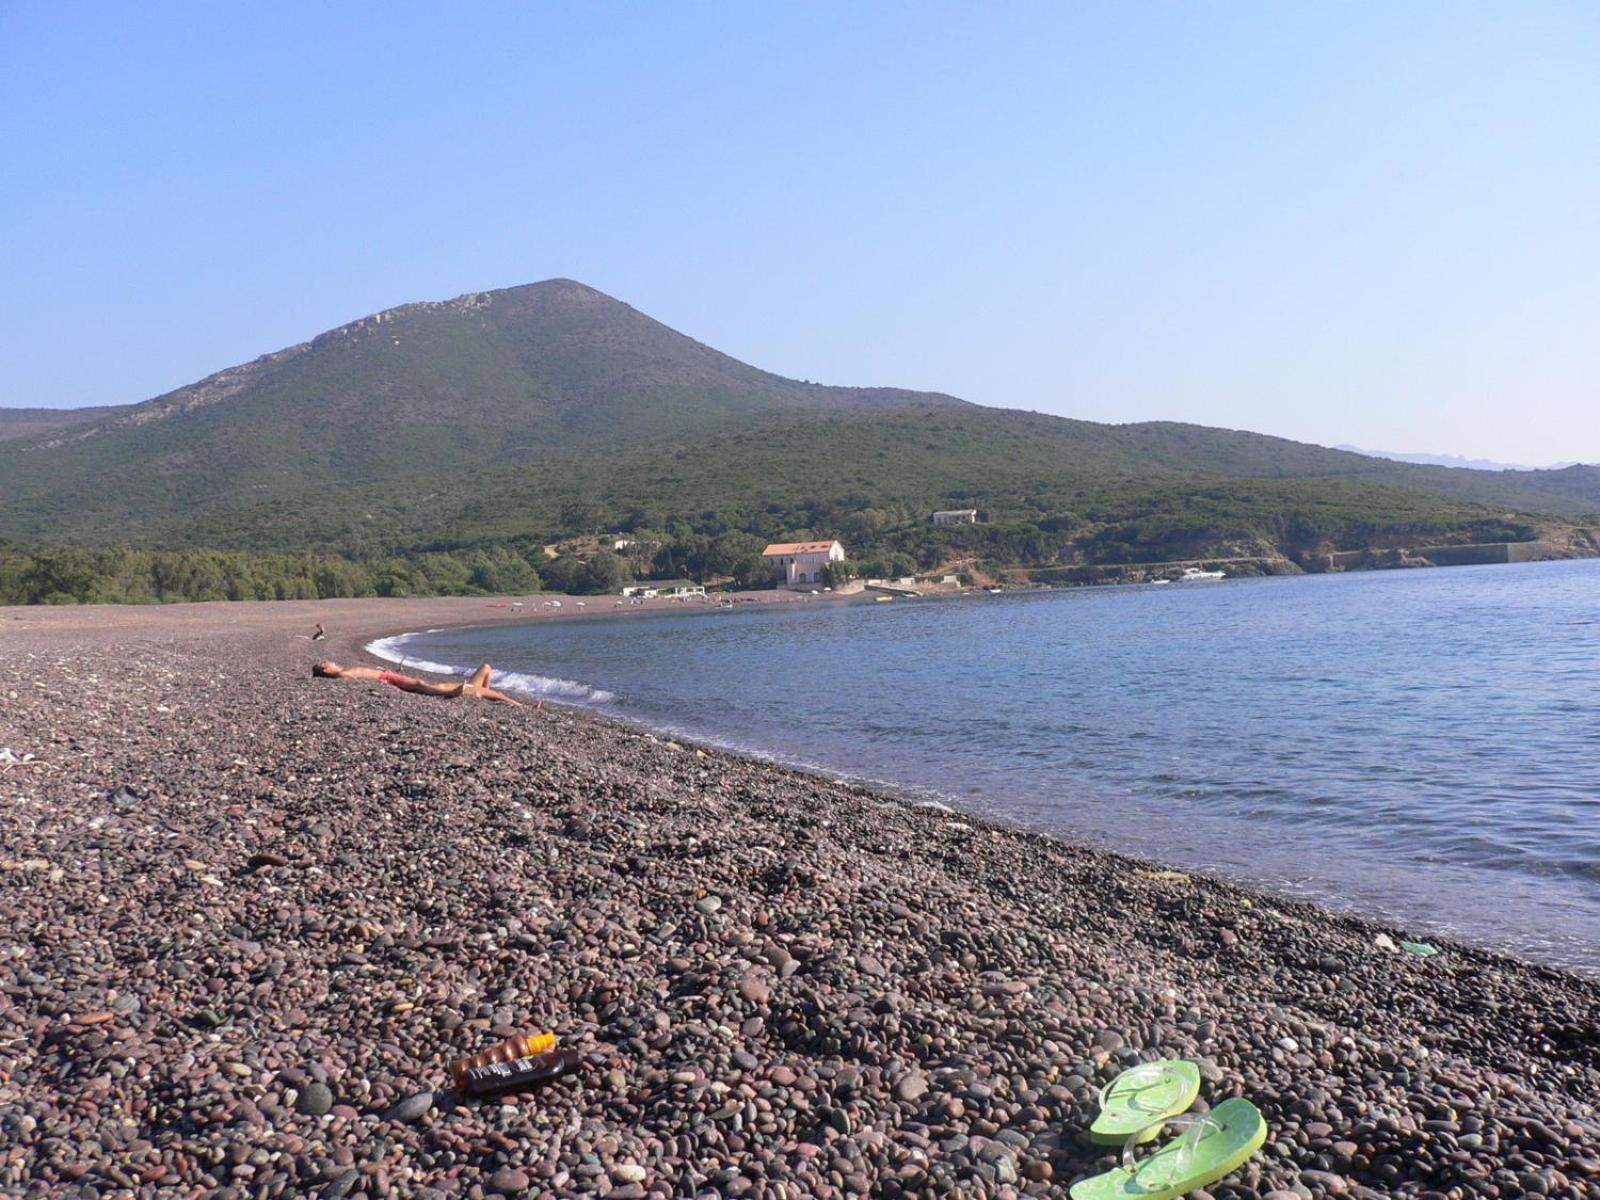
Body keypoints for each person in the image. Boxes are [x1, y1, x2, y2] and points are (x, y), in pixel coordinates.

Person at [312, 660, 526, 706]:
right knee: (485, 691)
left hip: (400, 679)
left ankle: (480, 696)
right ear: (326, 670)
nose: (329, 661)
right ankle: (521, 705)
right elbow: (353, 677)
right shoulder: (343, 674)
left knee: (486, 668)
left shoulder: (346, 671)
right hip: (411, 683)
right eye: (325, 663)